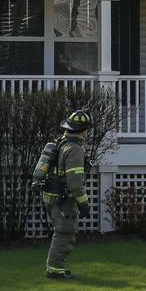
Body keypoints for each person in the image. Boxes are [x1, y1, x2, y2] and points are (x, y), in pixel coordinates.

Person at [32, 109, 92, 279]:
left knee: (62, 231)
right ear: (84, 130)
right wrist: (84, 205)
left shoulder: (61, 143)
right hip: (62, 199)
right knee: (65, 232)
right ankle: (55, 269)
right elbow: (75, 184)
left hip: (52, 195)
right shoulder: (74, 149)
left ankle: (56, 267)